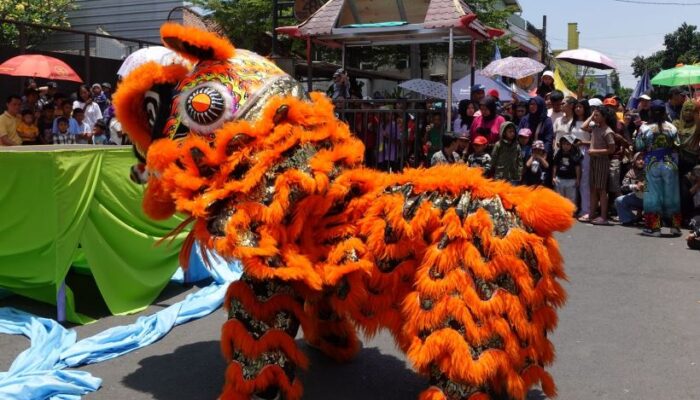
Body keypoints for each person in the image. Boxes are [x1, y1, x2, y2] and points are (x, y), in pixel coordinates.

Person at [635, 100, 682, 237]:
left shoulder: (645, 128)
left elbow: (638, 145)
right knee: (672, 195)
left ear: (650, 112)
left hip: (652, 163)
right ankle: (675, 227)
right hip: (670, 163)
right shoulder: (672, 127)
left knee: (652, 196)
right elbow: (678, 144)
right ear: (664, 112)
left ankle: (654, 228)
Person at [581, 107, 616, 226]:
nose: (594, 117)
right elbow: (583, 127)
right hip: (593, 160)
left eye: (597, 115)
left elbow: (611, 149)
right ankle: (591, 214)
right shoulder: (595, 128)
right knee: (593, 188)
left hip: (602, 161)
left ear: (604, 117)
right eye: (594, 115)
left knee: (601, 189)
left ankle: (603, 216)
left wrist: (596, 151)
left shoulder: (607, 131)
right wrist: (592, 116)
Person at [676, 100, 700, 222]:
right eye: (686, 109)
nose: (689, 113)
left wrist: (697, 111)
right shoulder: (676, 124)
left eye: (692, 110)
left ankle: (687, 216)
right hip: (678, 161)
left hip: (692, 163)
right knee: (676, 190)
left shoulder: (697, 126)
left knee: (686, 190)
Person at [571, 99, 592, 219]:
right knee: (574, 181)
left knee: (584, 182)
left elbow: (594, 140)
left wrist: (582, 142)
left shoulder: (589, 123)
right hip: (573, 152)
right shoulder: (572, 122)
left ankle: (586, 210)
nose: (578, 109)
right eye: (576, 107)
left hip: (585, 152)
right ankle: (574, 207)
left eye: (580, 107)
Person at [615, 152, 646, 226]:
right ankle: (629, 219)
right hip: (638, 198)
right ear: (634, 161)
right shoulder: (630, 173)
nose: (641, 161)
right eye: (638, 159)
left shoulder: (650, 171)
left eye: (643, 159)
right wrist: (634, 186)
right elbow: (623, 187)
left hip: (650, 200)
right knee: (619, 200)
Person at [552, 135, 581, 206]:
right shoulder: (559, 153)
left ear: (571, 145)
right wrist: (553, 177)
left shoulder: (574, 154)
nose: (565, 146)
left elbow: (577, 167)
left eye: (568, 144)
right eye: (564, 144)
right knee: (559, 198)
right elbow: (555, 165)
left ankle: (570, 213)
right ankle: (561, 213)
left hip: (571, 180)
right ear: (561, 145)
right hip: (560, 179)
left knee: (571, 199)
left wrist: (577, 178)